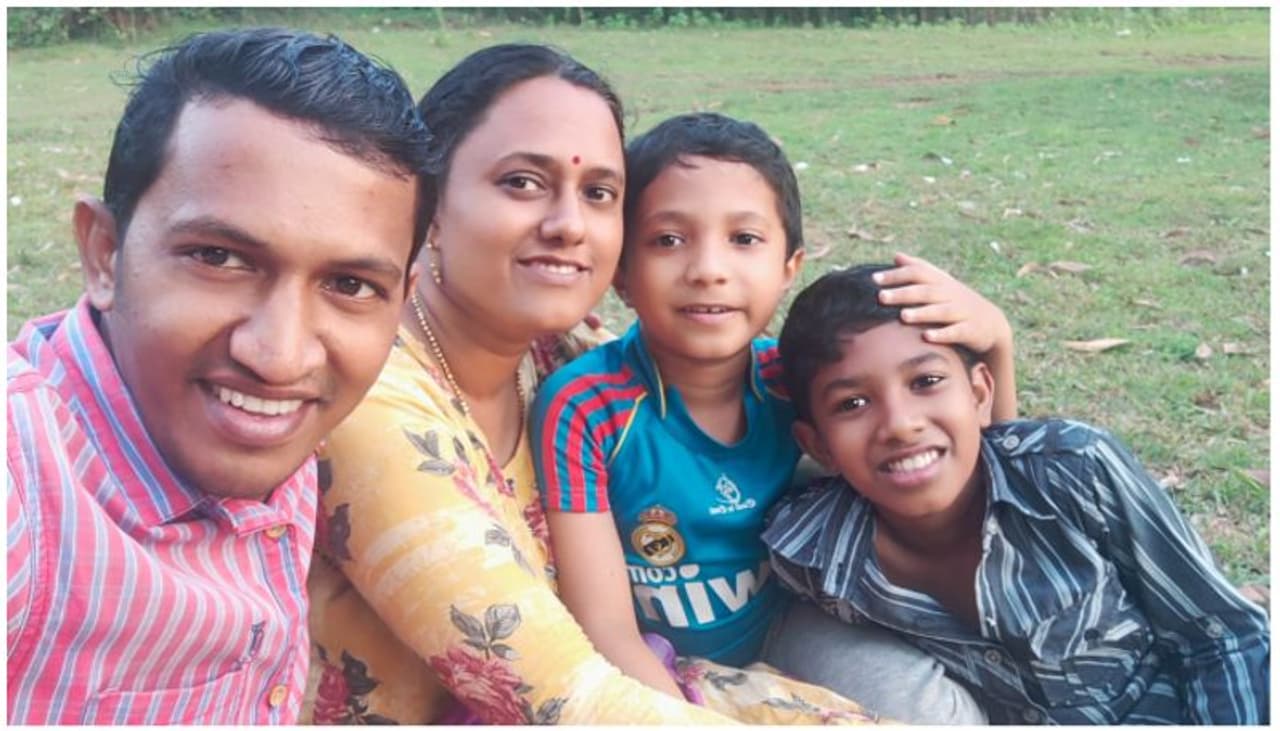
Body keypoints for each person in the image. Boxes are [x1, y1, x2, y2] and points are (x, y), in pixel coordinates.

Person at [304, 44, 890, 725]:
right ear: (429, 201)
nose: (569, 226)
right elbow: (567, 698)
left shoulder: (549, 351)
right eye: (522, 182)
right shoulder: (373, 400)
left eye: (599, 194)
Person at [6, 28, 430, 725]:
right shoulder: (25, 486)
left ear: (401, 302)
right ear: (105, 253)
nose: (280, 357)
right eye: (218, 258)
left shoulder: (269, 415)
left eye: (350, 285)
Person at [530, 112, 1013, 722]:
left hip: (791, 623)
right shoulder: (586, 406)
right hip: (652, 656)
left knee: (925, 711)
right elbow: (605, 630)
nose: (709, 269)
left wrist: (997, 342)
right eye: (669, 240)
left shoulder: (800, 381)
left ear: (790, 266)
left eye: (744, 239)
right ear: (622, 272)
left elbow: (986, 481)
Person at [763, 263, 1271, 724]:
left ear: (980, 393)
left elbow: (1225, 637)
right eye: (852, 404)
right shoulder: (813, 550)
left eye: (926, 381)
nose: (900, 424)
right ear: (818, 445)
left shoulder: (1076, 472)